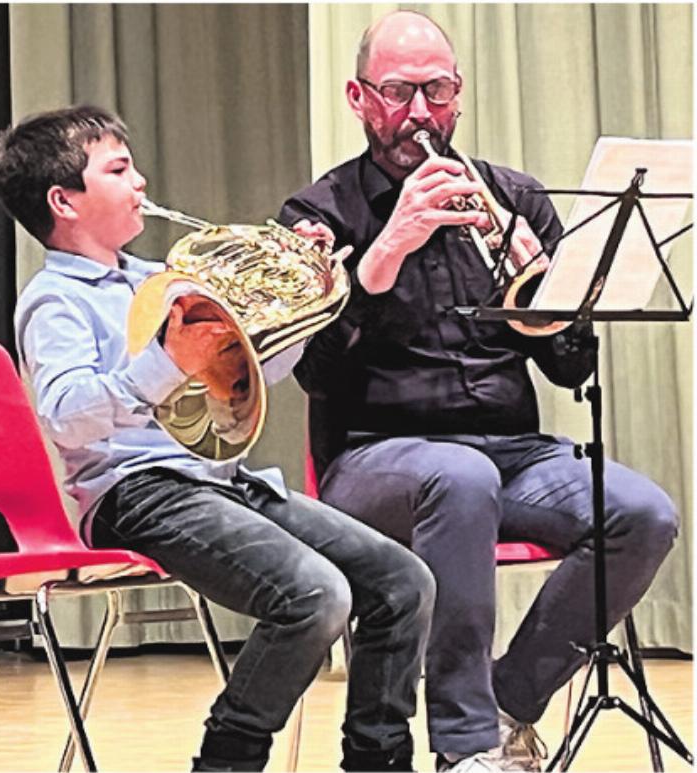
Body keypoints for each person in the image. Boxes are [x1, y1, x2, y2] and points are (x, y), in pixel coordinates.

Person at [279, 11, 679, 773]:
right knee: (458, 480)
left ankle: (504, 705)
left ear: (460, 94)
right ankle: (463, 748)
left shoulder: (516, 198)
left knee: (642, 512)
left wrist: (546, 303)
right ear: (358, 97)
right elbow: (315, 374)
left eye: (437, 91)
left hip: (512, 450)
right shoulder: (319, 216)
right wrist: (382, 254)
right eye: (399, 92)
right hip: (374, 457)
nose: (421, 114)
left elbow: (569, 370)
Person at [0, 105, 436, 773]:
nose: (140, 181)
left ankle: (378, 759)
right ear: (64, 200)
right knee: (315, 596)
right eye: (117, 169)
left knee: (403, 580)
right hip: (136, 491)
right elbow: (66, 413)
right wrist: (166, 361)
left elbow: (252, 373)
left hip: (221, 480)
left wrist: (304, 303)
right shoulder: (54, 300)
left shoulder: (157, 281)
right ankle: (227, 758)